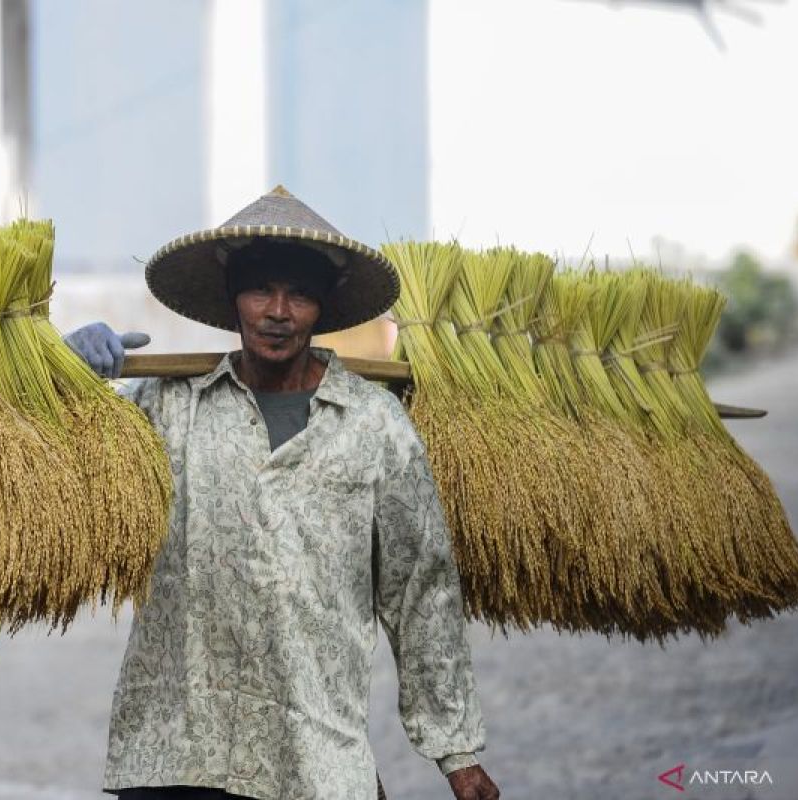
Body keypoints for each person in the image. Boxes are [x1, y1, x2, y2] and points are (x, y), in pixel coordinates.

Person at [65, 186, 499, 800]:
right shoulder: (168, 408)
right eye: (260, 290)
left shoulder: (372, 425)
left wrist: (455, 752)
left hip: (312, 756)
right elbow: (68, 484)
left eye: (298, 294)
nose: (277, 311)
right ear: (233, 300)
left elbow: (420, 590)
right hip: (180, 752)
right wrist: (66, 377)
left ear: (320, 307)